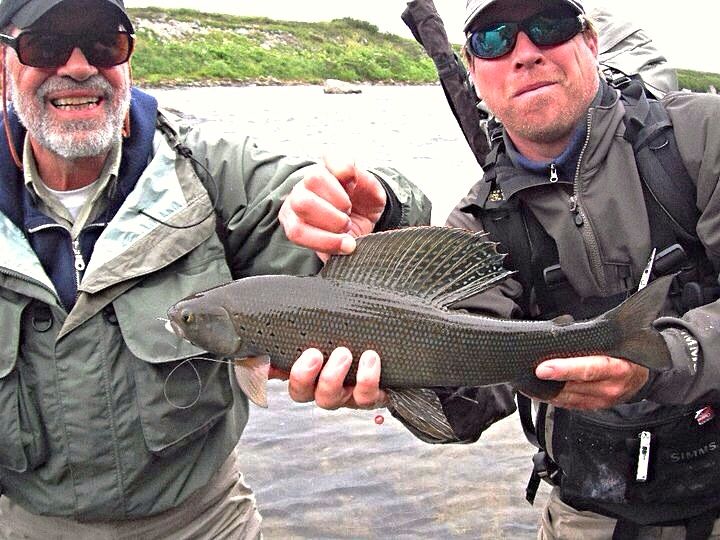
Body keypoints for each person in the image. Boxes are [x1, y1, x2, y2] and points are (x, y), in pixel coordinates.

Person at [287, 0, 720, 538]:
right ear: (474, 70)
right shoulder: (479, 222)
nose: (525, 53)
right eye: (494, 39)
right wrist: (392, 364)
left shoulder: (703, 137)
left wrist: (667, 358)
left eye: (549, 25)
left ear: (589, 41)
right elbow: (466, 410)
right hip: (588, 511)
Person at [0, 0, 431, 537]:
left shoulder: (211, 169)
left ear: (128, 58)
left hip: (205, 521)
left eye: (103, 43)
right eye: (45, 45)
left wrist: (380, 204)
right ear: (5, 63)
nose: (78, 66)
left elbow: (370, 213)